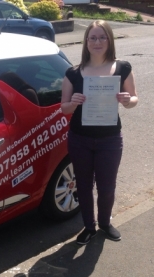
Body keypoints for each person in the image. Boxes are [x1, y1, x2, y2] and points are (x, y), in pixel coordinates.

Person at [61, 20, 138, 245]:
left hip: (110, 140)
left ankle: (104, 223)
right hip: (79, 139)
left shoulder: (122, 68)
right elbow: (63, 107)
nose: (97, 42)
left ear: (110, 40)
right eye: (93, 38)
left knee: (107, 187)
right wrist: (73, 103)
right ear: (86, 41)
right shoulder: (73, 73)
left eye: (102, 37)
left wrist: (127, 100)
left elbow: (134, 99)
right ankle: (89, 227)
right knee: (83, 187)